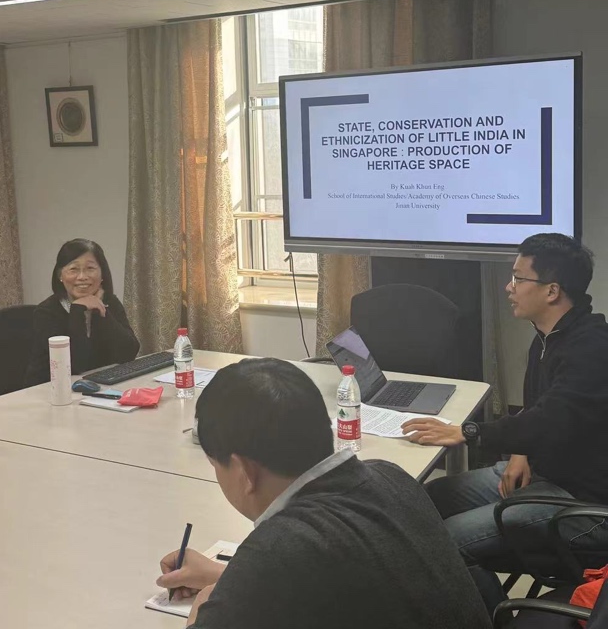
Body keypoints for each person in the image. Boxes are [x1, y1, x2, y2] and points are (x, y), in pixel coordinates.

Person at [156, 357, 492, 629]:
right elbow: (350, 583)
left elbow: (289, 566)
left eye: (216, 465)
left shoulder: (278, 549)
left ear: (244, 471)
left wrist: (202, 612)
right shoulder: (389, 475)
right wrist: (229, 579)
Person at [402, 233, 608, 616]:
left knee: (445, 545)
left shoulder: (591, 349)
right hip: (547, 473)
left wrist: (468, 432)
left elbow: (551, 419)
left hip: (584, 502)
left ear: (552, 291)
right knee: (428, 500)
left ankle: (495, 621)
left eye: (518, 278)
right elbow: (540, 410)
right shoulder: (548, 336)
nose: (508, 287)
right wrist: (519, 453)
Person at [24, 238, 139, 386]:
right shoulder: (47, 312)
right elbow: (75, 365)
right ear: (60, 275)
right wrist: (77, 310)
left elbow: (129, 353)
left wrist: (100, 310)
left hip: (97, 387)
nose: (82, 277)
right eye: (73, 269)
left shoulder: (110, 302)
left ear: (102, 274)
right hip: (49, 390)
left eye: (90, 268)